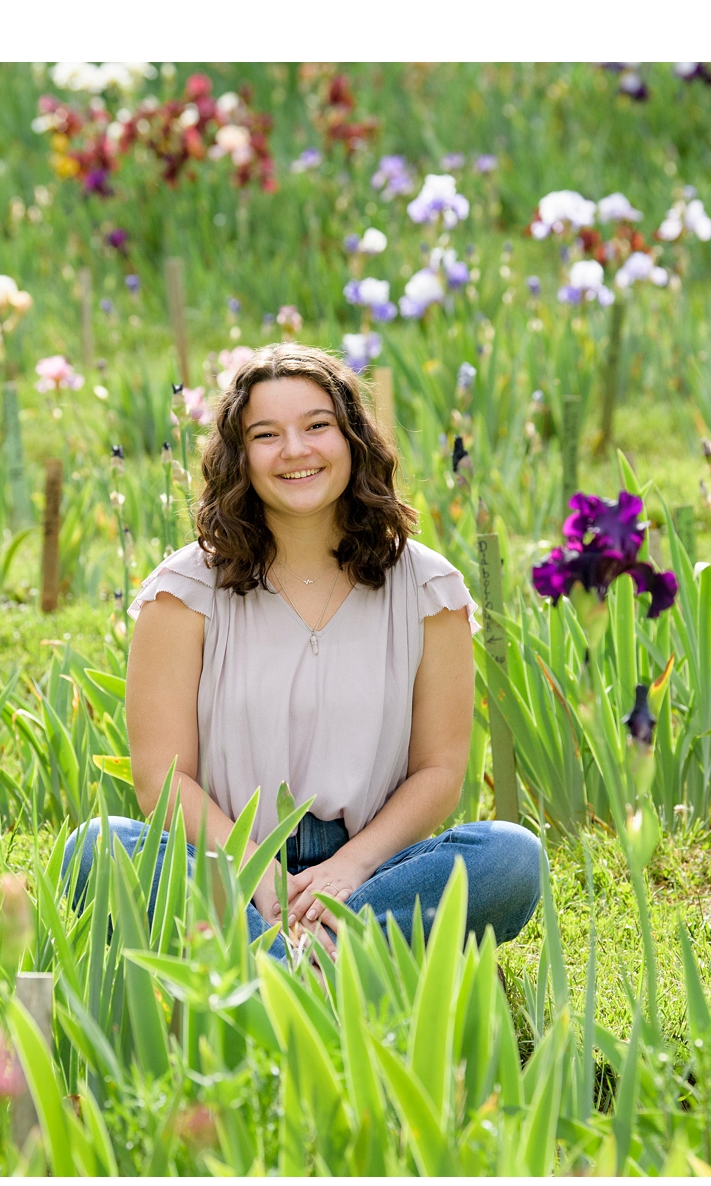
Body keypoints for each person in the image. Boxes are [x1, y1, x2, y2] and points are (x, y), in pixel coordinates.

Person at [65, 343, 541, 957]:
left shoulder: (429, 588)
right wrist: (256, 873)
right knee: (97, 848)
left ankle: (270, 971)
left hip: (370, 874)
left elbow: (440, 772)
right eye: (266, 435)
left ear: (353, 440)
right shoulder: (183, 591)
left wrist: (350, 871)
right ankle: (314, 967)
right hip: (224, 866)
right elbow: (162, 778)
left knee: (511, 858)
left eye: (317, 426)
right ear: (240, 458)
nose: (295, 451)